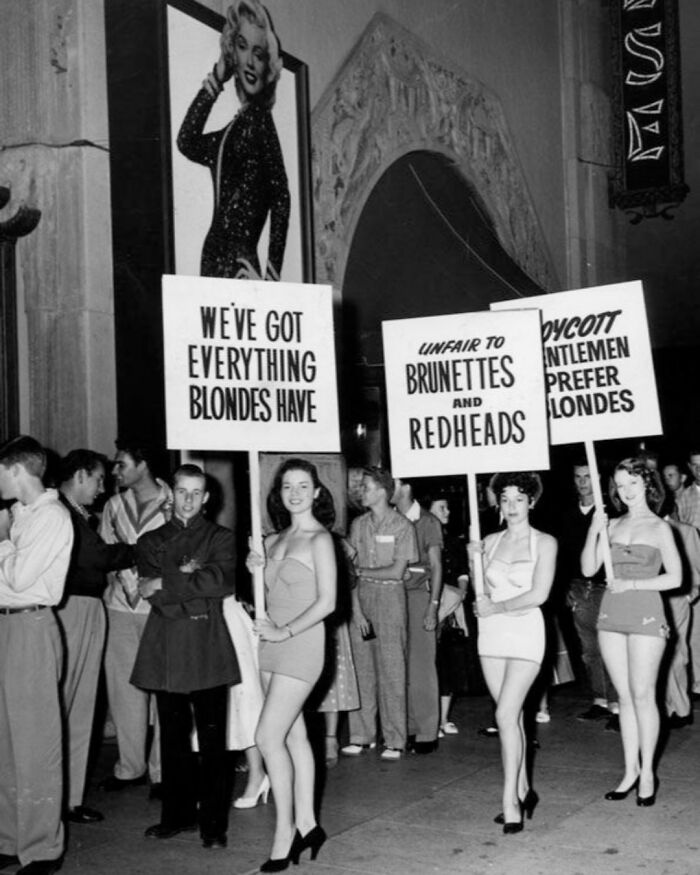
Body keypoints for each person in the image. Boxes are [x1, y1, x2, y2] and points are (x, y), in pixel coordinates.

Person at [132, 464, 239, 849]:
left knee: (213, 741)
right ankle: (176, 816)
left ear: (207, 497)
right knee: (173, 738)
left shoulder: (221, 537)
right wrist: (185, 585)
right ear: (171, 494)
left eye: (197, 492)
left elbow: (220, 581)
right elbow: (150, 593)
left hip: (208, 645)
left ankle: (214, 824)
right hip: (167, 644)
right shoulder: (150, 541)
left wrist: (166, 580)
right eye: (182, 491)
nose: (189, 499)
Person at [247, 459, 337, 871]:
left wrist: (285, 632)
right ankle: (308, 822)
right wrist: (257, 569)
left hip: (300, 643)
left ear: (317, 492)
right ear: (279, 493)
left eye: (304, 485)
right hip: (271, 644)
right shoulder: (274, 538)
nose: (296, 493)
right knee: (294, 735)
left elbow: (328, 602)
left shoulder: (321, 540)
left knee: (267, 736)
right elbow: (268, 597)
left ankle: (284, 832)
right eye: (288, 486)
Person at [581, 457, 681, 806]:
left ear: (648, 485)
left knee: (642, 694)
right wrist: (595, 530)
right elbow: (588, 567)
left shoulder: (659, 528)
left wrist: (633, 583)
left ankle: (649, 773)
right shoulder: (612, 524)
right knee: (623, 699)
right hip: (611, 614)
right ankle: (630, 771)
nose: (625, 492)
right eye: (620, 486)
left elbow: (677, 577)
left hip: (645, 614)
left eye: (632, 484)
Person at [0, 436, 73, 875]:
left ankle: (44, 848)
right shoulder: (22, 514)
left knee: (35, 742)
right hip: (8, 623)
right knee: (7, 742)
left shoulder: (51, 516)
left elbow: (23, 578)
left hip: (31, 624)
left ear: (15, 470)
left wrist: (5, 542)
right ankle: (11, 838)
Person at [177, 0, 290, 281]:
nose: (251, 61)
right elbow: (186, 142)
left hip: (239, 267)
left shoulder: (261, 120)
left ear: (268, 65)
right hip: (212, 261)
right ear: (232, 53)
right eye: (242, 46)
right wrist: (217, 77)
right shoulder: (233, 131)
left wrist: (271, 278)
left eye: (259, 53)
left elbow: (282, 198)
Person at [470, 472, 557, 834]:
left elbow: (539, 594)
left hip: (525, 632)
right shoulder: (487, 541)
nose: (511, 505)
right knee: (512, 718)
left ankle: (510, 801)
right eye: (504, 498)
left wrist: (497, 609)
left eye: (519, 498)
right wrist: (473, 560)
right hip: (491, 635)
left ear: (531, 502)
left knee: (504, 714)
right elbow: (481, 599)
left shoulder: (545, 543)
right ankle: (523, 788)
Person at [57, 449, 135, 825]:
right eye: (99, 479)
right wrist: (146, 548)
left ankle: (69, 798)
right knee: (66, 703)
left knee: (82, 705)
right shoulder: (60, 512)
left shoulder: (80, 515)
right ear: (80, 476)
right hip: (69, 609)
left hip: (87, 608)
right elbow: (99, 556)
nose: (103, 488)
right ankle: (57, 799)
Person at [99, 440, 171, 795]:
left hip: (162, 610)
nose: (115, 471)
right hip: (119, 607)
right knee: (124, 688)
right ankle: (130, 767)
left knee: (165, 689)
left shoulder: (175, 503)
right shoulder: (113, 505)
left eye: (121, 464)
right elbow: (103, 555)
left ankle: (163, 771)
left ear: (143, 464)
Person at [342, 467, 418, 761]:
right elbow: (350, 574)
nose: (362, 491)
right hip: (361, 597)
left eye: (368, 487)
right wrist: (357, 612)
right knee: (362, 669)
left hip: (390, 599)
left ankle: (395, 739)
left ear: (384, 491)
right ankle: (361, 735)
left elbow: (397, 571)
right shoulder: (358, 525)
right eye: (361, 487)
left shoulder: (402, 526)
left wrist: (360, 571)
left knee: (392, 668)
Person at [557, 462, 619, 727]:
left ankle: (619, 705)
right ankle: (600, 701)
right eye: (578, 477)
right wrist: (566, 589)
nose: (583, 482)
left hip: (606, 586)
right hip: (580, 587)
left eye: (587, 477)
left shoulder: (610, 512)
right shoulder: (568, 514)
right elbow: (562, 555)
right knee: (589, 650)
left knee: (612, 647)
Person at [393, 477, 443, 753]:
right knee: (400, 668)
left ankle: (426, 731)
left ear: (407, 487)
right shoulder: (387, 519)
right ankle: (408, 728)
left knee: (421, 668)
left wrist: (432, 606)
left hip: (417, 598)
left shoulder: (427, 522)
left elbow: (436, 567)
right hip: (391, 598)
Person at [428, 494, 469, 736]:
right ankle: (431, 719)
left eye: (448, 507)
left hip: (453, 611)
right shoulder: (421, 538)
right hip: (432, 607)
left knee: (448, 665)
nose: (447, 512)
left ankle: (444, 719)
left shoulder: (454, 542)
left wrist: (460, 593)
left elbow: (463, 572)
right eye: (441, 507)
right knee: (429, 665)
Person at [675, 450, 700, 700]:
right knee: (695, 634)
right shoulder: (684, 496)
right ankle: (697, 684)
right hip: (695, 567)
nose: (699, 470)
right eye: (695, 466)